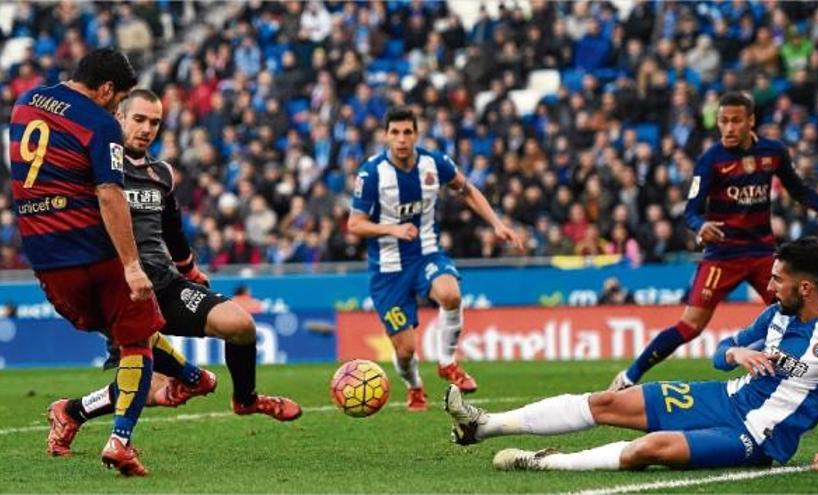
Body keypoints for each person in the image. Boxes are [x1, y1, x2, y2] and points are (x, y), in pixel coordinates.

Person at [446, 238, 818, 472]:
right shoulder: (775, 315)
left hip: (757, 437)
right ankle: (484, 426)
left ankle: (543, 462)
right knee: (607, 402)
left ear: (806, 288)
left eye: (779, 280)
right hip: (723, 397)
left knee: (648, 449)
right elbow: (719, 352)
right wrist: (736, 356)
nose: (770, 286)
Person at [45, 89, 301, 461]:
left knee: (241, 325)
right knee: (148, 387)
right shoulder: (95, 169)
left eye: (154, 123)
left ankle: (246, 400)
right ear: (119, 118)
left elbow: (172, 229)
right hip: (120, 292)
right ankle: (73, 413)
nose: (147, 129)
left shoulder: (160, 173)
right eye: (139, 120)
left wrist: (189, 268)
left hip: (164, 283)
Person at [609, 92, 818, 391]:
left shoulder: (773, 152)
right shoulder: (711, 159)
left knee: (796, 313)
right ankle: (630, 376)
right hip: (722, 255)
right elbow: (690, 211)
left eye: (736, 121)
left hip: (763, 253)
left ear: (751, 121)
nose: (728, 127)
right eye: (723, 121)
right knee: (691, 325)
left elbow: (802, 193)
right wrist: (701, 226)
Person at [10, 48, 161, 476]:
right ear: (107, 89)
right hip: (91, 250)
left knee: (131, 327)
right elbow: (110, 194)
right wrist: (132, 264)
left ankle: (186, 376)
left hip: (45, 258)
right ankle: (120, 441)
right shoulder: (99, 123)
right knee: (137, 339)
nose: (118, 109)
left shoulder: (25, 103)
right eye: (119, 99)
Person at [348, 107, 523, 410]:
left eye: (407, 132)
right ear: (386, 136)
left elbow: (466, 189)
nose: (402, 139)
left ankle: (447, 362)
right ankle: (415, 386)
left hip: (426, 253)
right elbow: (355, 224)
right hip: (388, 269)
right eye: (395, 133)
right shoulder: (372, 173)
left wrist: (496, 223)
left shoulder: (434, 163)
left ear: (416, 134)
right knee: (405, 350)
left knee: (450, 294)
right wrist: (393, 228)